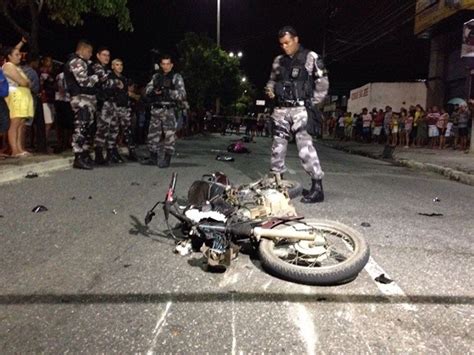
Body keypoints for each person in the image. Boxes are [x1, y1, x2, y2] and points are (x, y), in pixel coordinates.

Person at [265, 26, 328, 203]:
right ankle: (278, 184)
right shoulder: (279, 60)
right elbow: (271, 80)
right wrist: (270, 90)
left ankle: (317, 187)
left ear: (296, 39)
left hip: (301, 110)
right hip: (282, 110)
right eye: (281, 44)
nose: (284, 46)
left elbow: (322, 84)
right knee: (277, 147)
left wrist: (311, 105)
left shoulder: (310, 57)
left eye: (287, 42)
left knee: (305, 149)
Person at [142, 54, 186, 168]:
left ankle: (167, 158)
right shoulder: (156, 76)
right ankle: (153, 157)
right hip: (156, 108)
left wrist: (168, 92)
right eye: (163, 64)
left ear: (171, 65)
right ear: (161, 65)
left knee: (169, 135)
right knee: (152, 134)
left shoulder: (176, 77)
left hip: (169, 110)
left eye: (168, 64)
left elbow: (182, 95)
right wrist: (154, 91)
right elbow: (147, 90)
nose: (165, 66)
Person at [64, 39, 100, 169]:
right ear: (82, 50)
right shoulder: (76, 62)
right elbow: (84, 82)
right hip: (80, 98)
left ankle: (84, 154)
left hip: (87, 98)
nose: (91, 54)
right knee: (81, 126)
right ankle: (78, 157)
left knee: (88, 128)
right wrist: (97, 77)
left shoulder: (85, 63)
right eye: (89, 51)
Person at [2, 44, 34, 157]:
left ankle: (20, 149)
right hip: (15, 96)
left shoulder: (17, 67)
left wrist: (27, 83)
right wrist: (27, 83)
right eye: (16, 55)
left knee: (21, 123)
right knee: (14, 124)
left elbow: (29, 82)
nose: (19, 56)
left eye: (19, 54)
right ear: (9, 56)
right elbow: (24, 82)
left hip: (22, 96)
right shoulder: (8, 65)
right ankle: (14, 150)